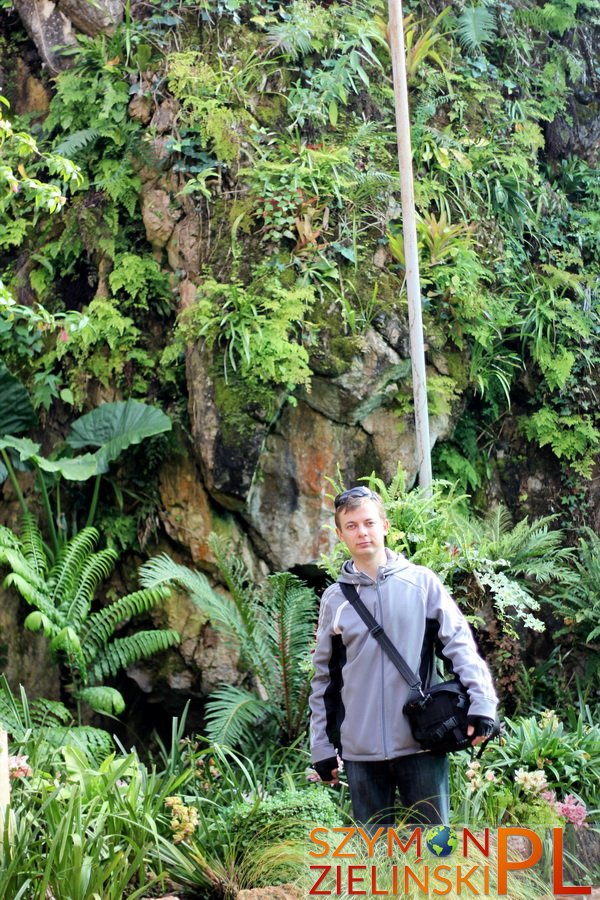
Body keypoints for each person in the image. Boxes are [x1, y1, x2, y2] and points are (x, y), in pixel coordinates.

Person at [309, 485, 498, 828]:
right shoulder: (335, 600)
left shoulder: (421, 583)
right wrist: (321, 746)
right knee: (374, 861)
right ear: (340, 534)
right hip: (360, 754)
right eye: (351, 526)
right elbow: (324, 679)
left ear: (384, 525)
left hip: (421, 742)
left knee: (435, 853)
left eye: (368, 522)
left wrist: (482, 702)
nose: (361, 532)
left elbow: (460, 646)